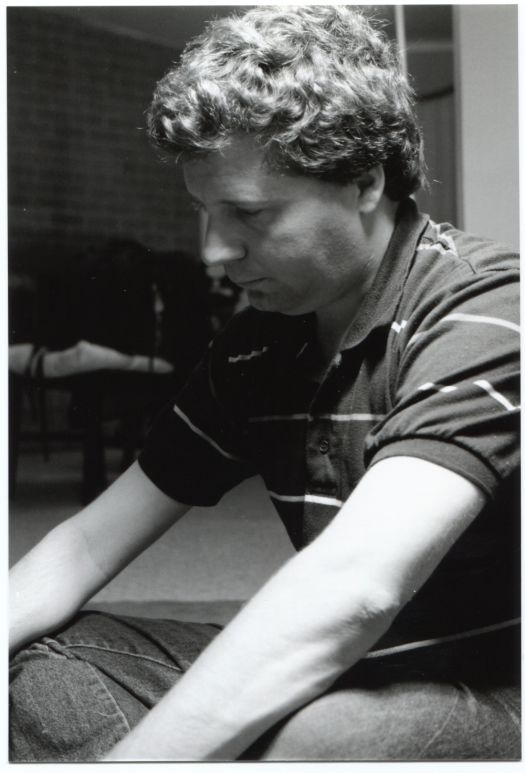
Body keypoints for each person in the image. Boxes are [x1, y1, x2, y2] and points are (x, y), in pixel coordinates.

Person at [9, 6, 520, 762]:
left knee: (330, 736)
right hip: (339, 668)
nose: (214, 252)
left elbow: (355, 587)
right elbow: (86, 545)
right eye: (203, 212)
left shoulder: (488, 309)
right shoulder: (260, 342)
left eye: (247, 213)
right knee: (34, 663)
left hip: (495, 688)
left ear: (363, 182)